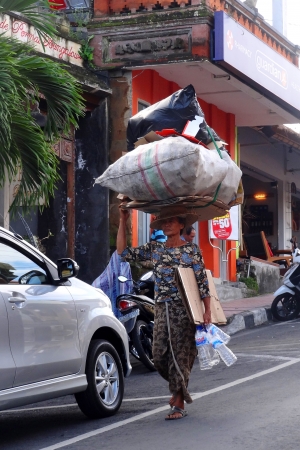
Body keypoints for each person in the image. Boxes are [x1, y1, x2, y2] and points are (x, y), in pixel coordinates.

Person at [117, 205, 211, 421]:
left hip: (184, 310)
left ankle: (178, 401)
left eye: (172, 220)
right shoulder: (155, 249)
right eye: (164, 221)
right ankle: (178, 390)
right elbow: (122, 253)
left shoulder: (191, 251)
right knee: (159, 356)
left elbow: (202, 282)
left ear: (181, 225)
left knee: (181, 355)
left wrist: (207, 311)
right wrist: (123, 220)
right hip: (161, 309)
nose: (167, 224)